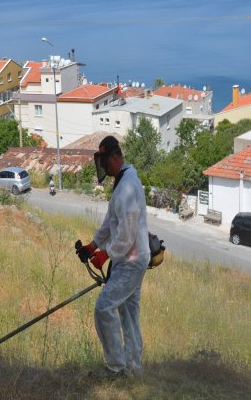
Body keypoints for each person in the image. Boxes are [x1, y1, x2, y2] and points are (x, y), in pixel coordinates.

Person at [80, 136, 150, 379]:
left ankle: (116, 367)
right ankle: (132, 368)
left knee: (104, 307)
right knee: (129, 314)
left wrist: (105, 254)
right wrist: (93, 245)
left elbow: (126, 235)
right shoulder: (122, 181)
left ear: (114, 157)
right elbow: (111, 221)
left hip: (132, 261)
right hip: (129, 260)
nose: (103, 168)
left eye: (104, 161)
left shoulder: (128, 187)